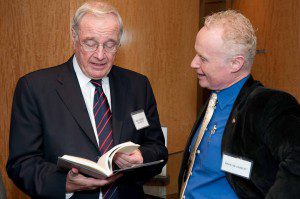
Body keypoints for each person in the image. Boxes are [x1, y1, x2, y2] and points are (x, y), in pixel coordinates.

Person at [6, 1, 168, 199]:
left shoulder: (137, 86)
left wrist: (142, 157)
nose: (100, 55)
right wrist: (64, 183)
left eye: (110, 45)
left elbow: (158, 149)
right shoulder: (35, 88)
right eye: (90, 43)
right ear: (74, 37)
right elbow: (21, 164)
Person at [178, 10, 300, 199]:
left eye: (203, 58)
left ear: (236, 63)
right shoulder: (213, 98)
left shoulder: (268, 105)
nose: (193, 63)